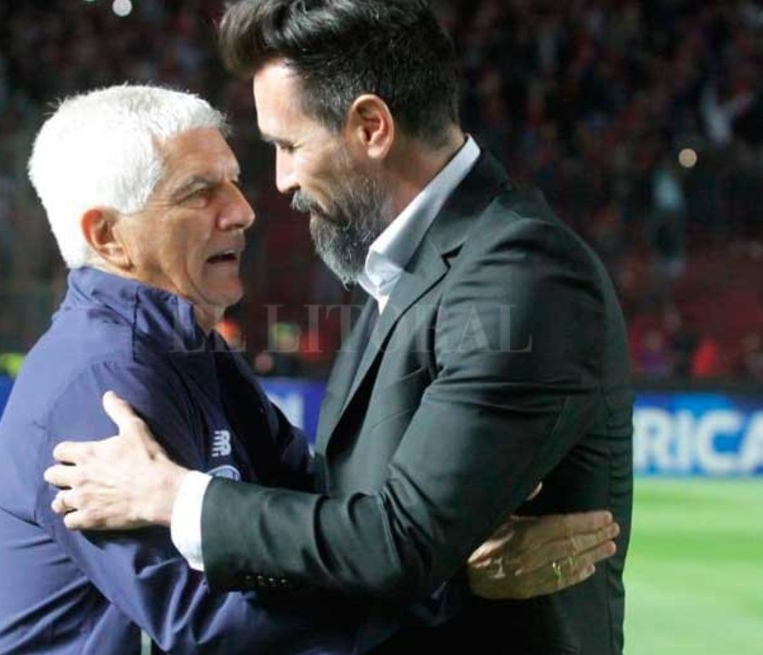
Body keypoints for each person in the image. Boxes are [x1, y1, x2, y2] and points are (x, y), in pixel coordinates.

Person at [44, 1, 635, 653]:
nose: (280, 181)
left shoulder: (521, 272)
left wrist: (173, 496)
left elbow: (399, 544)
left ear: (371, 127)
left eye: (289, 146)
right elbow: (358, 509)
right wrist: (452, 567)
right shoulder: (399, 268)